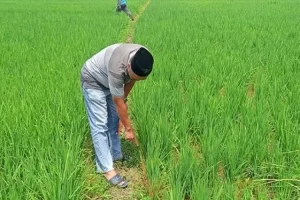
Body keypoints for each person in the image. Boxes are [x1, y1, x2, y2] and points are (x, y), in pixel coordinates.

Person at [80, 43, 154, 188]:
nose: (136, 80)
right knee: (100, 124)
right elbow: (118, 101)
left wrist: (121, 117)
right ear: (128, 66)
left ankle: (115, 153)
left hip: (110, 82)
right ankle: (106, 169)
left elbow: (130, 83)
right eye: (134, 76)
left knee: (114, 119)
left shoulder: (143, 57)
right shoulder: (117, 68)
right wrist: (128, 129)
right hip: (94, 81)